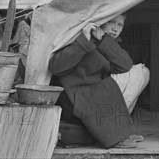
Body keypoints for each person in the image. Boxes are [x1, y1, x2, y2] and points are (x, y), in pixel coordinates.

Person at [49, 13, 150, 149]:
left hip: (96, 92)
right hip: (76, 96)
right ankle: (115, 134)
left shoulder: (105, 41)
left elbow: (125, 65)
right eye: (112, 22)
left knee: (141, 72)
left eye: (120, 25)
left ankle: (120, 130)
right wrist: (84, 40)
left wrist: (103, 39)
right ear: (100, 20)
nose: (116, 29)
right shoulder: (77, 37)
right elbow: (56, 67)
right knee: (108, 87)